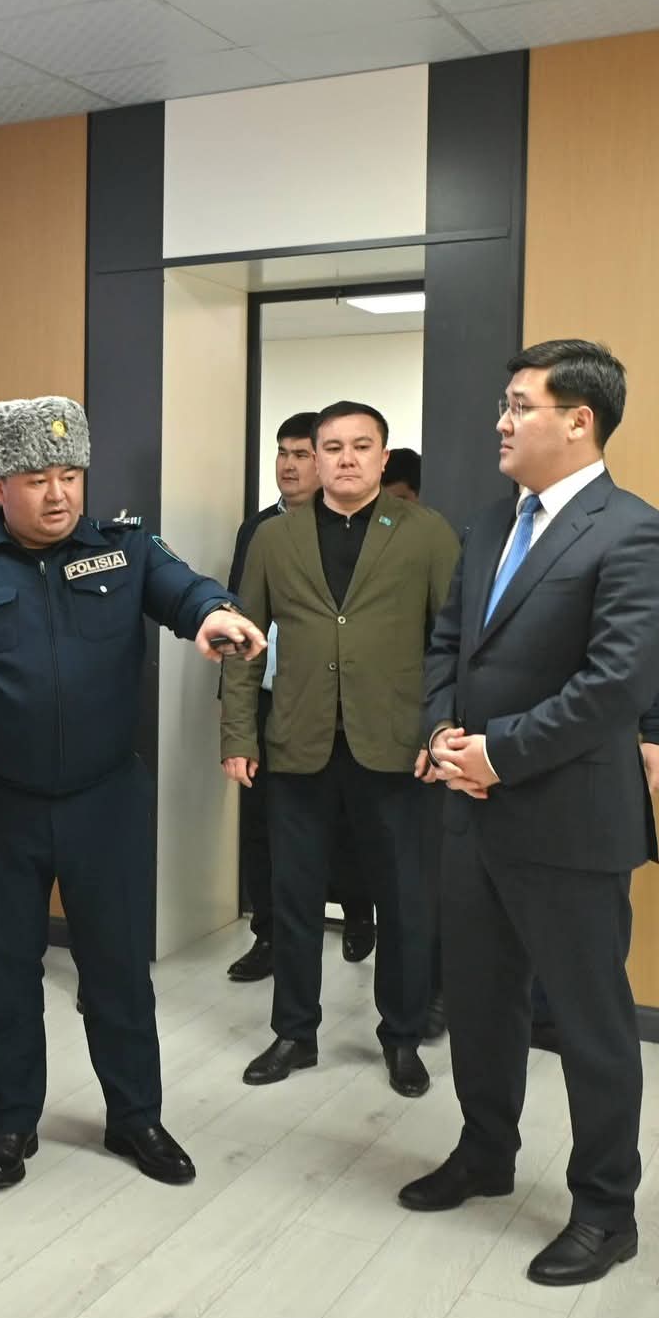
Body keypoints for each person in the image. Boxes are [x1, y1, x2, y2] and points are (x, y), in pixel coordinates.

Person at [0, 395, 266, 1191]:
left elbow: (183, 589)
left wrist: (213, 614)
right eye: (36, 478)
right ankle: (12, 1121)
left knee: (118, 970)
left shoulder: (124, 550)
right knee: (4, 974)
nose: (59, 494)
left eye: (70, 474)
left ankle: (135, 1117)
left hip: (105, 801)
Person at [405, 339, 659, 1288]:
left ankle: (606, 1209)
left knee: (587, 1023)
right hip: (471, 814)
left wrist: (499, 753)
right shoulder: (491, 524)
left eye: (520, 405)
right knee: (480, 1002)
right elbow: (449, 642)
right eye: (505, 403)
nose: (502, 420)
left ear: (580, 420)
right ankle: (485, 1152)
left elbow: (614, 687)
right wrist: (441, 729)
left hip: (569, 823)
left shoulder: (640, 535)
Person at [222, 401, 459, 1097]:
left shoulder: (427, 533)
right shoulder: (274, 537)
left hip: (398, 745)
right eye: (332, 447)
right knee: (294, 896)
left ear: (384, 458)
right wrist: (238, 734)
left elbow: (453, 645)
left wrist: (442, 729)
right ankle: (295, 1032)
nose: (347, 458)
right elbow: (243, 641)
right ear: (316, 457)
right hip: (298, 743)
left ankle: (402, 1036)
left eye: (362, 446)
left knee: (403, 900)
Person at [224, 413, 377, 983]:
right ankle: (270, 935)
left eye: (301, 454)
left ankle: (358, 911)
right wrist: (236, 716)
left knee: (347, 817)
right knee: (263, 826)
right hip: (273, 699)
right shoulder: (260, 530)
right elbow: (240, 615)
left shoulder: (361, 529)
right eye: (281, 453)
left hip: (339, 701)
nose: (288, 465)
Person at [530, 640, 659, 1052]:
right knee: (515, 901)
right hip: (506, 756)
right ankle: (533, 1015)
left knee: (595, 915)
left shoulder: (629, 596)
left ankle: (577, 1024)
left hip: (599, 765)